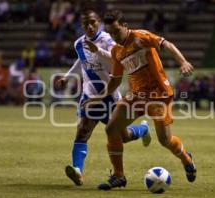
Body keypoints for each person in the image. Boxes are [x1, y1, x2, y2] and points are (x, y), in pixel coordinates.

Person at [83, 10, 197, 190]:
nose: (114, 36)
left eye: (116, 31)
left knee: (164, 140)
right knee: (112, 128)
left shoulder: (140, 37)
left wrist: (182, 62)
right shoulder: (116, 50)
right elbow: (115, 80)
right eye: (110, 32)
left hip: (158, 95)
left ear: (125, 26)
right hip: (135, 96)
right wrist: (97, 98)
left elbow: (166, 44)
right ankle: (119, 176)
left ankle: (187, 159)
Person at [56, 10, 151, 186]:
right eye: (85, 24)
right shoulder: (79, 44)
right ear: (81, 25)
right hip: (90, 94)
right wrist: (67, 76)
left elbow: (117, 62)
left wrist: (98, 50)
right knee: (83, 131)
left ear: (99, 22)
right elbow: (81, 62)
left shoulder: (109, 40)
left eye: (93, 22)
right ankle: (78, 171)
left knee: (124, 136)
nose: (90, 26)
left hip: (110, 96)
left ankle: (143, 130)